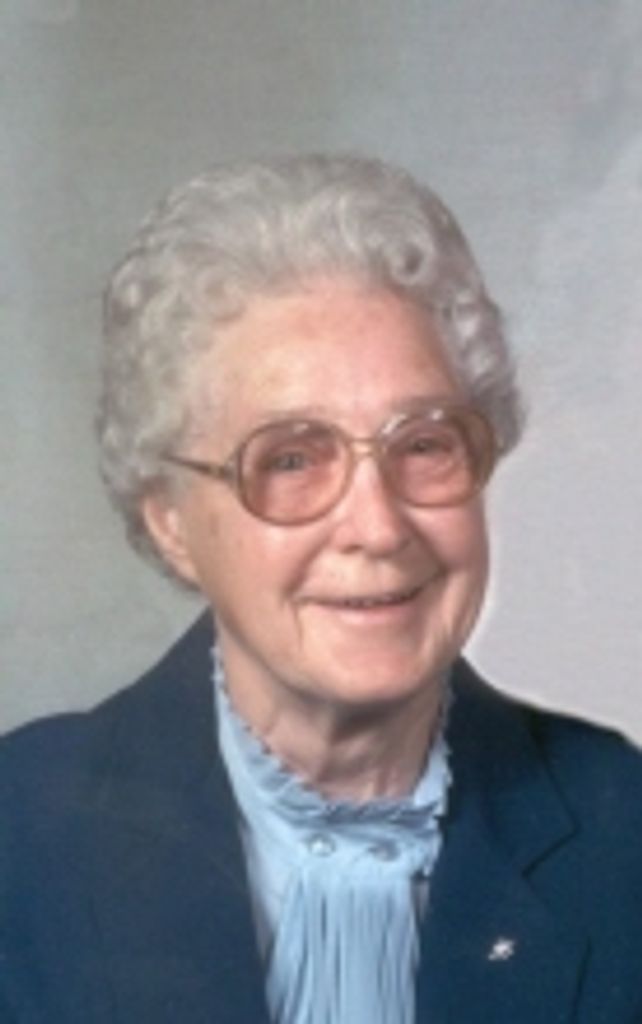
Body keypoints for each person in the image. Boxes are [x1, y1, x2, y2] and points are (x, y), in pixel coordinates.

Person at [1, 154, 641, 1024]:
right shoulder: (19, 838)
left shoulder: (623, 827)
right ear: (172, 522)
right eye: (292, 459)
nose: (378, 527)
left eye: (425, 444)